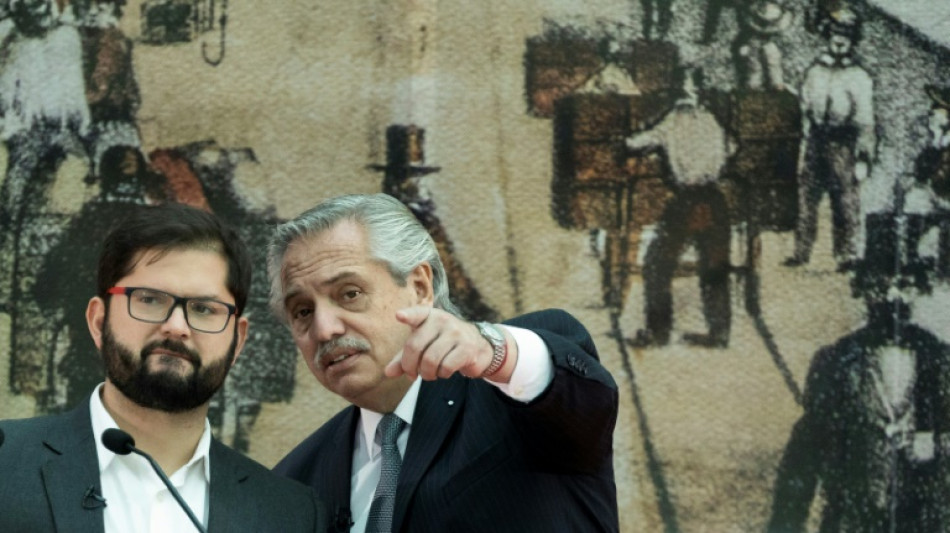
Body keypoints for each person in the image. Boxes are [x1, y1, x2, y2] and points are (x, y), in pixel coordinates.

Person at [268, 193, 619, 533]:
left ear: (420, 288)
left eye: (350, 293)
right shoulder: (295, 481)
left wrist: (493, 350)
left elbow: (582, 399)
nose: (324, 329)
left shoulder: (513, 393)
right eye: (303, 311)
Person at [0, 202, 328, 532]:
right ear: (99, 321)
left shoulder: (290, 514)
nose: (176, 327)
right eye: (150, 299)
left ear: (238, 341)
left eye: (203, 308)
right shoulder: (7, 460)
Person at [768, 211, 950, 532]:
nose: (892, 296)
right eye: (881, 283)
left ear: (919, 289)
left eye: (904, 284)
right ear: (862, 287)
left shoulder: (939, 362)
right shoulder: (835, 361)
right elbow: (803, 458)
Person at [625, 66, 735, 348]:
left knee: (657, 264)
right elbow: (732, 147)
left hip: (688, 200)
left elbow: (639, 141)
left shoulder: (674, 120)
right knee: (714, 267)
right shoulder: (712, 119)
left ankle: (658, 332)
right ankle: (719, 332)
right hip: (714, 199)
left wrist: (622, 142)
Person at [784, 7, 875, 271]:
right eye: (835, 33)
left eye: (846, 35)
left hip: (843, 143)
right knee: (806, 198)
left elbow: (866, 121)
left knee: (845, 200)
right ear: (827, 35)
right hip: (816, 140)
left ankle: (847, 254)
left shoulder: (859, 76)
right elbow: (805, 109)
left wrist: (864, 157)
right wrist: (804, 144)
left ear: (853, 40)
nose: (839, 40)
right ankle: (801, 252)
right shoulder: (814, 72)